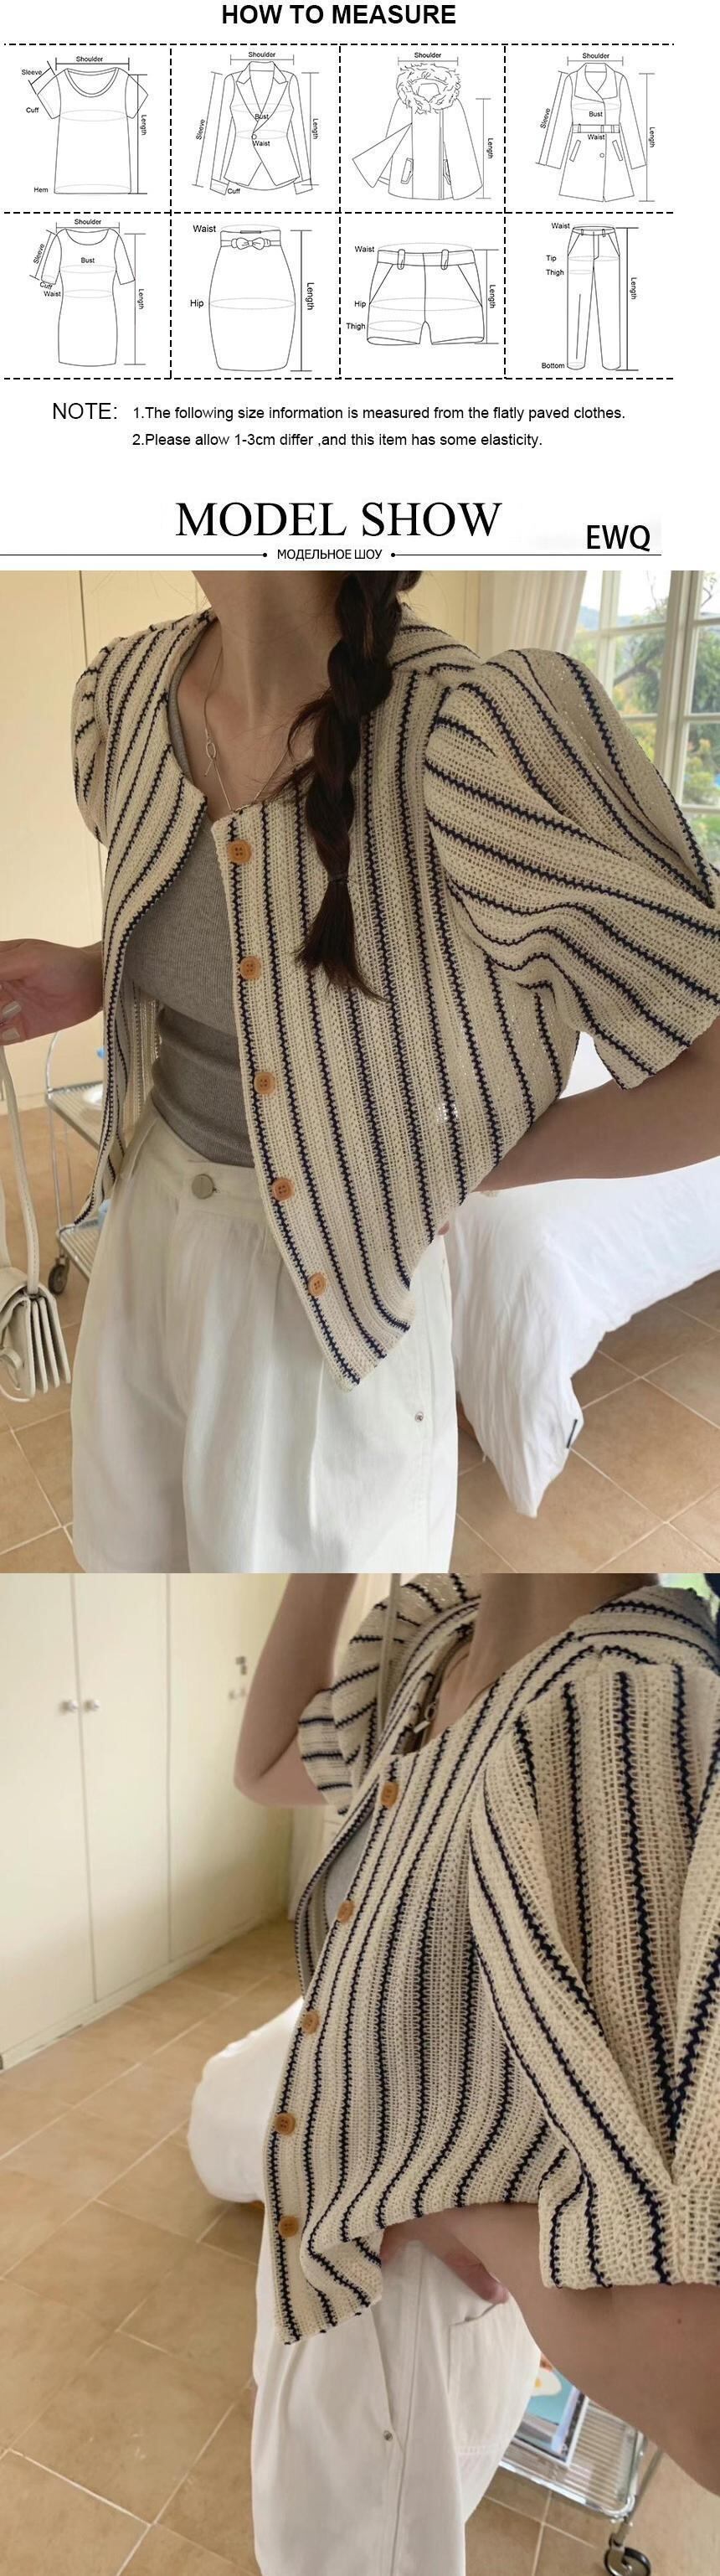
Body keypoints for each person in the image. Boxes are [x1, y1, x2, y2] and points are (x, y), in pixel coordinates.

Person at [2, 573, 720, 1572]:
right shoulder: (123, 699)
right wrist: (97, 968)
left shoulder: (472, 733)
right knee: (128, 1561)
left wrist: (461, 1164)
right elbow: (252, 948)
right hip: (143, 1244)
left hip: (328, 1308)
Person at [188, 1571, 720, 2575]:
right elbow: (264, 1767)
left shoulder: (625, 1712)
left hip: (400, 2359)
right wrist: (327, 1549)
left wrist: (450, 2206)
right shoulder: (429, 1640)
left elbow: (702, 2399)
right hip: (334, 2299)